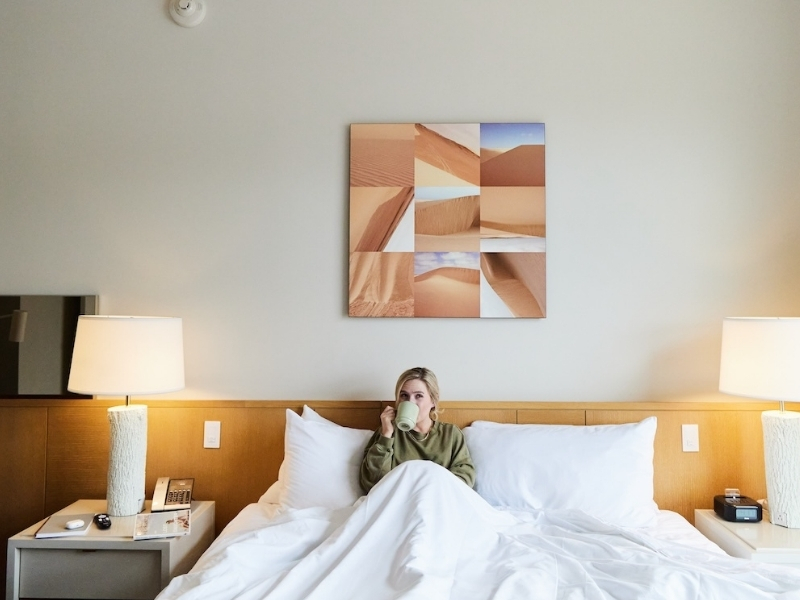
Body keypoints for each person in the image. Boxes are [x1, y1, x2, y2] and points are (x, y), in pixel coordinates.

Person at [359, 367, 475, 493]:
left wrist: (429, 490)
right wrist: (386, 435)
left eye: (418, 396)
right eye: (404, 395)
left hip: (438, 500)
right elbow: (372, 484)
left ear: (433, 401)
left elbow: (465, 477)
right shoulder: (387, 433)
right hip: (400, 502)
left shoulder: (450, 434)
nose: (411, 402)